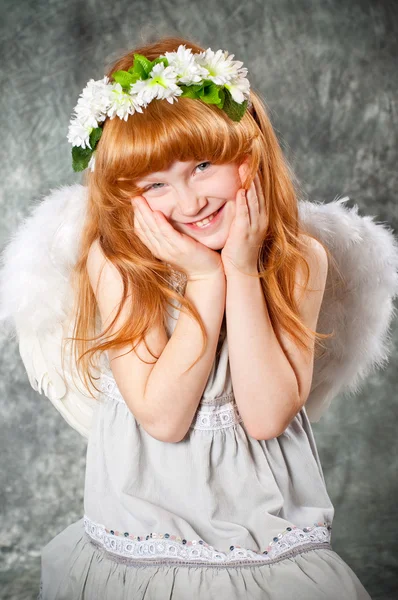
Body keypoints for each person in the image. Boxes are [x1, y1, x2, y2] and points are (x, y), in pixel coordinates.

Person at [3, 35, 392, 599]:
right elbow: (163, 417)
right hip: (146, 531)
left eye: (204, 165)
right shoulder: (119, 263)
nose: (189, 203)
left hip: (261, 535)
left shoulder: (299, 259)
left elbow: (265, 416)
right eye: (156, 183)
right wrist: (206, 281)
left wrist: (240, 270)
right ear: (124, 194)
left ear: (250, 151)